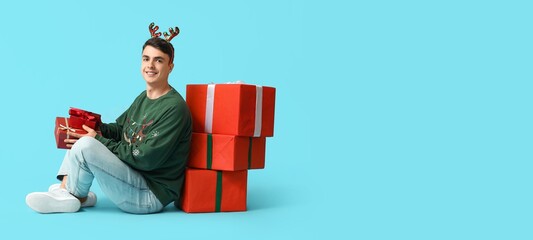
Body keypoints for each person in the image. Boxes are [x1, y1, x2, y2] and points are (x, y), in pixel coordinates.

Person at [26, 23, 192, 214]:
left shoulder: (174, 108)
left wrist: (97, 139)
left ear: (170, 66)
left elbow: (145, 159)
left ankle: (69, 195)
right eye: (146, 59)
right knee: (79, 134)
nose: (150, 66)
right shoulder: (143, 97)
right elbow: (120, 130)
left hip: (148, 194)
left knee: (87, 144)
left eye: (159, 61)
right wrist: (94, 126)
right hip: (133, 177)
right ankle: (73, 194)